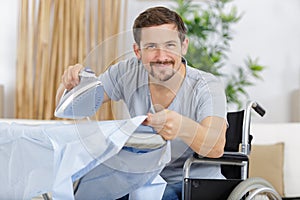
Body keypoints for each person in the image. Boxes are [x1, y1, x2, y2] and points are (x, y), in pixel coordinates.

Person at [56, 6, 227, 200]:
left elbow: (216, 146)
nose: (161, 56)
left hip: (192, 182)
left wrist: (181, 126)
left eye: (170, 45)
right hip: (142, 179)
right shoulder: (126, 72)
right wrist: (70, 85)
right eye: (151, 46)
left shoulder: (206, 86)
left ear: (184, 46)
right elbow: (76, 108)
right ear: (138, 51)